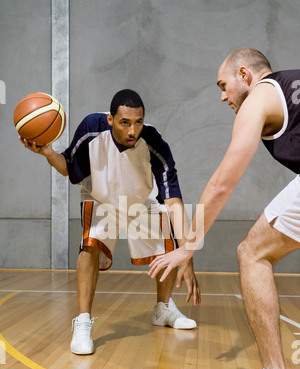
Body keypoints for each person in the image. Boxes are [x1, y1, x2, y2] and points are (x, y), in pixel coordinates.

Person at [149, 48, 300, 369]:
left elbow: (221, 184)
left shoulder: (259, 97)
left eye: (224, 85)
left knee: (253, 253)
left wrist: (189, 245)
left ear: (245, 75)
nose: (222, 96)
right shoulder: (292, 83)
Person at [20, 89, 200, 355]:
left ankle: (162, 309)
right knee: (89, 246)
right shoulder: (91, 129)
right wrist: (48, 152)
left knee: (169, 238)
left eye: (138, 122)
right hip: (101, 197)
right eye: (125, 122)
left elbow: (173, 200)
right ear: (110, 119)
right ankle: (82, 322)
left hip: (139, 199)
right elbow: (69, 167)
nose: (133, 130)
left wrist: (188, 255)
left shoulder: (154, 142)